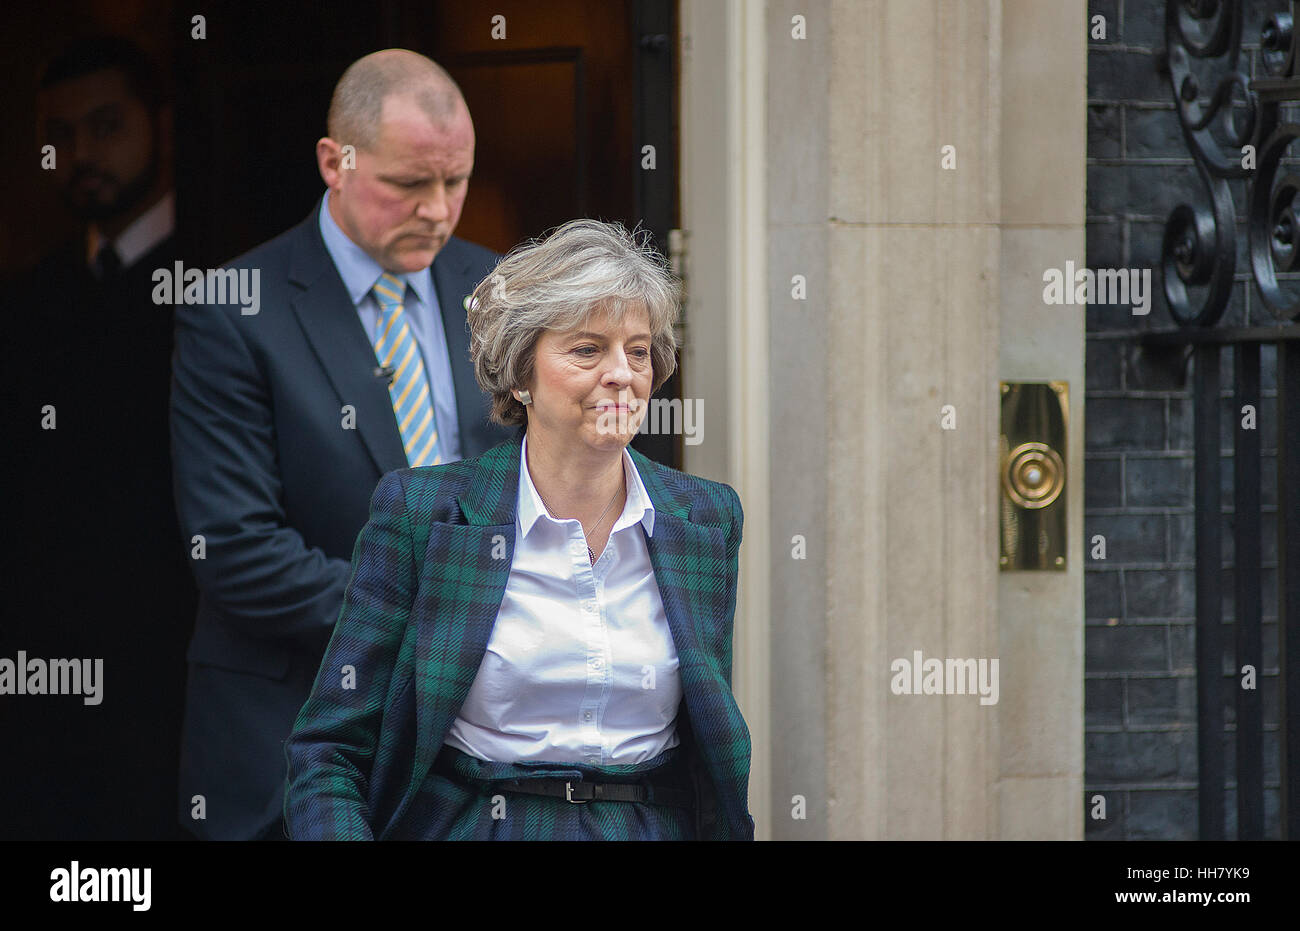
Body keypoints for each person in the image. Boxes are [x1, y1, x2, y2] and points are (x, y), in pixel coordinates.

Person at [283, 218, 754, 841]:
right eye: (587, 350)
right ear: (519, 373)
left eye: (637, 351)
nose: (621, 374)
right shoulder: (424, 515)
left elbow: (707, 751)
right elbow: (329, 750)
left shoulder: (704, 520)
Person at [169, 49, 512, 841]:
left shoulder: (498, 293)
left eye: (454, 181)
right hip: (288, 740)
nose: (436, 208)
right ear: (335, 161)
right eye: (407, 184)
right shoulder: (233, 310)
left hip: (474, 758)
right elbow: (234, 551)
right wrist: (432, 615)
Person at [5, 35, 196, 840]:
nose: (80, 152)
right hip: (38, 678)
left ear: (161, 123)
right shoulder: (28, 298)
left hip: (174, 674)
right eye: (61, 135)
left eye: (106, 125)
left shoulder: (219, 283)